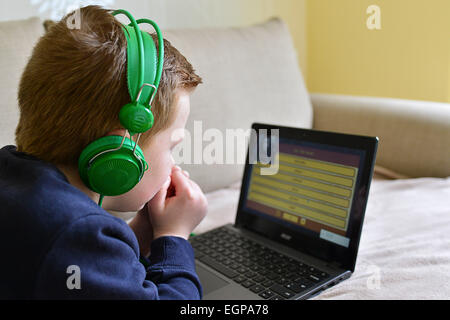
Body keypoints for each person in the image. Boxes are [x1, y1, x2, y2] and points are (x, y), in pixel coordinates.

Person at [0, 5, 207, 299]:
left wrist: (142, 234)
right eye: (171, 147)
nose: (173, 162)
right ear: (120, 152)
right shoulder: (80, 233)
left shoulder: (15, 182)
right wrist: (174, 237)